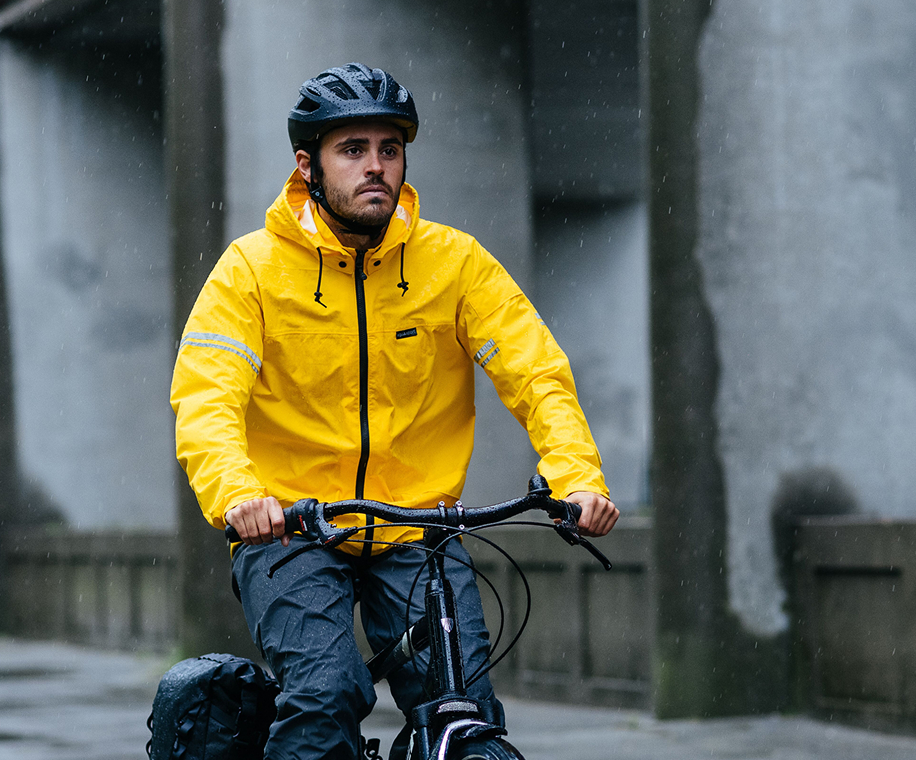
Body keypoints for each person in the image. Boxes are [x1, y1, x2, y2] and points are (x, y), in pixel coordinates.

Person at [171, 62, 619, 760]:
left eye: (390, 148)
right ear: (308, 166)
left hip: (417, 530)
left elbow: (536, 374)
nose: (375, 166)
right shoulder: (250, 270)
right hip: (292, 530)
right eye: (352, 150)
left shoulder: (454, 263)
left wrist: (577, 478)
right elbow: (207, 396)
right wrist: (238, 495)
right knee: (325, 696)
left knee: (464, 710)